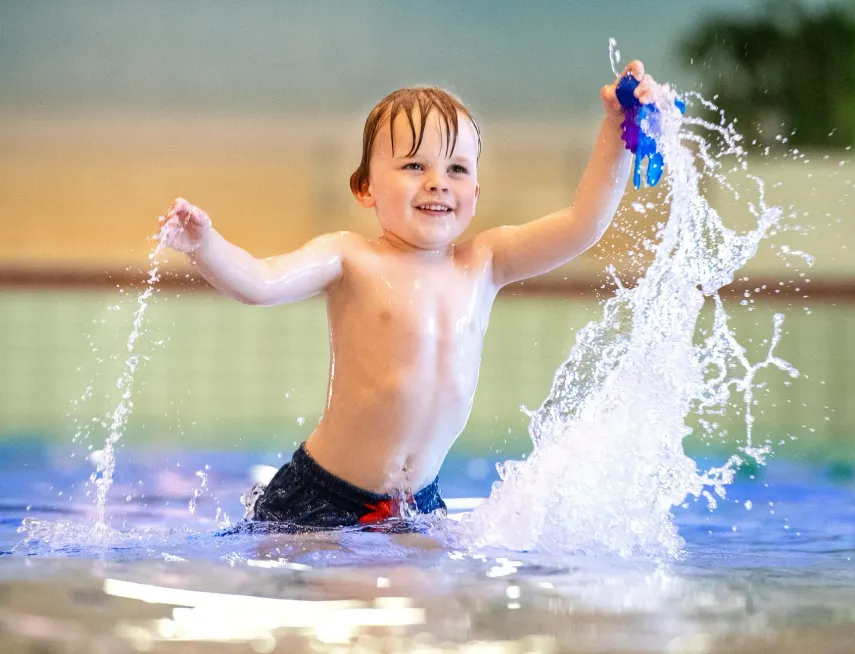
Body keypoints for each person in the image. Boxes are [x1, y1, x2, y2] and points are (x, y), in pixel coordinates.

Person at [160, 61, 659, 529]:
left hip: (418, 505)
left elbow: (582, 224)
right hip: (322, 499)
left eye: (457, 169)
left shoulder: (485, 263)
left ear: (476, 193)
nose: (438, 183)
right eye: (415, 166)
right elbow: (261, 283)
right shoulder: (350, 257)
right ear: (365, 188)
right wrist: (205, 244)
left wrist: (618, 128)